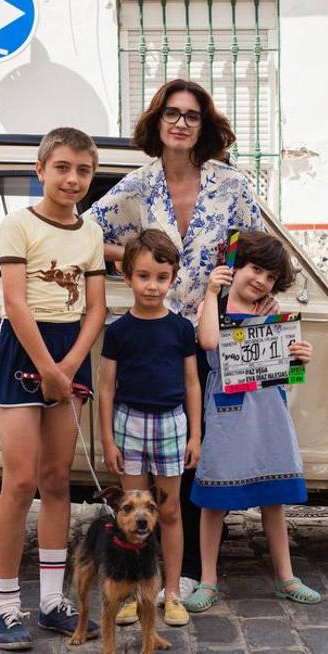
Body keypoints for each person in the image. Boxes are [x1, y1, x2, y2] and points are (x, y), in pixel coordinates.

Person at [87, 79, 264, 610]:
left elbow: (258, 245)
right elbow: (88, 232)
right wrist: (136, 258)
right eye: (172, 113)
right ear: (157, 122)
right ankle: (155, 572)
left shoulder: (230, 184)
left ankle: (186, 571)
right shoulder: (138, 186)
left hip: (212, 336)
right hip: (156, 332)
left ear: (204, 126)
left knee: (198, 453)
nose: (181, 123)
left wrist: (246, 291)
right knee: (163, 456)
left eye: (192, 115)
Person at [0, 127, 106, 650]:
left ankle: (54, 600)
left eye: (82, 170)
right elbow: (16, 303)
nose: (72, 178)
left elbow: (96, 307)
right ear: (41, 170)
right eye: (62, 167)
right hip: (23, 348)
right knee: (19, 481)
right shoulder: (18, 225)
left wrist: (71, 365)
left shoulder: (91, 234)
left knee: (58, 479)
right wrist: (49, 370)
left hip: (69, 350)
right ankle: (6, 604)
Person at [184, 230, 322, 611]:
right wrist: (212, 293)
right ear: (235, 268)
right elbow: (210, 343)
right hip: (228, 414)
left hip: (269, 413)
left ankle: (286, 576)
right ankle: (208, 579)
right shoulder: (214, 307)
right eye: (255, 269)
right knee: (213, 502)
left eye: (271, 276)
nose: (261, 280)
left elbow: (286, 365)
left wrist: (299, 354)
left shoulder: (271, 312)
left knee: (274, 499)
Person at [98, 229, 202, 628]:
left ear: (172, 278)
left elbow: (192, 383)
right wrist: (108, 439)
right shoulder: (119, 331)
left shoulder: (180, 329)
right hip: (130, 423)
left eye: (161, 277)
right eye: (143, 276)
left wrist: (195, 434)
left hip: (172, 424)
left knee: (169, 509)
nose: (152, 286)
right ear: (127, 276)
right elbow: (107, 387)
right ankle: (129, 592)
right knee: (131, 514)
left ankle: (171, 591)